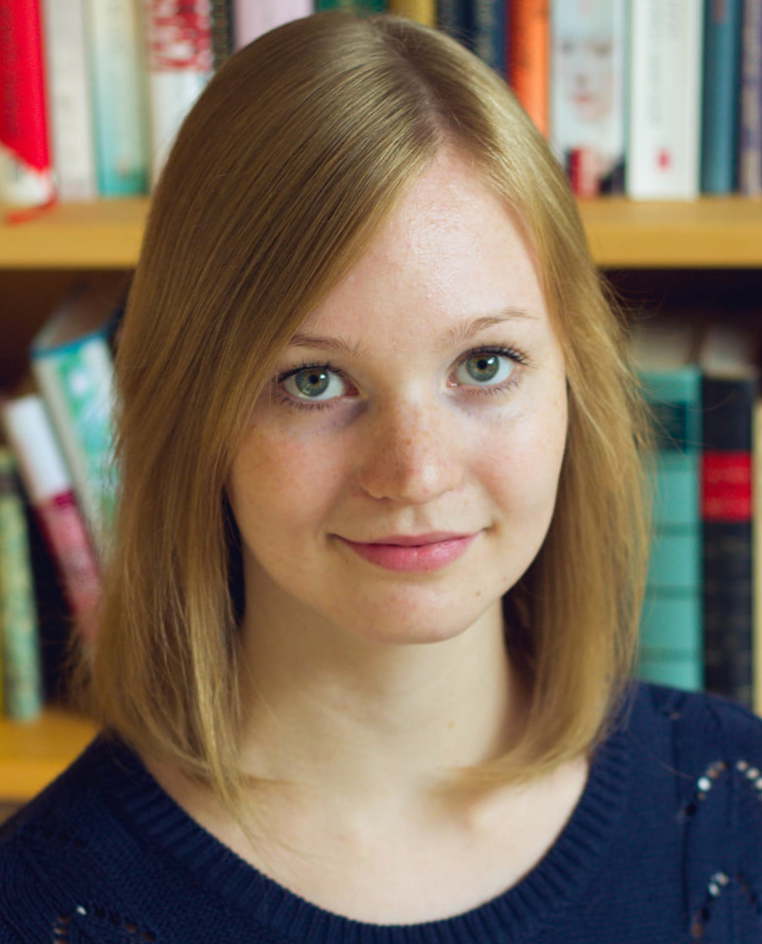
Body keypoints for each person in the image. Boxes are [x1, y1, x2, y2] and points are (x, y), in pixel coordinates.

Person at [2, 10, 761, 943]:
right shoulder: (34, 907)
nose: (415, 473)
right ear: (193, 414)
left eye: (484, 364)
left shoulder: (740, 808)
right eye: (314, 381)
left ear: (574, 382)